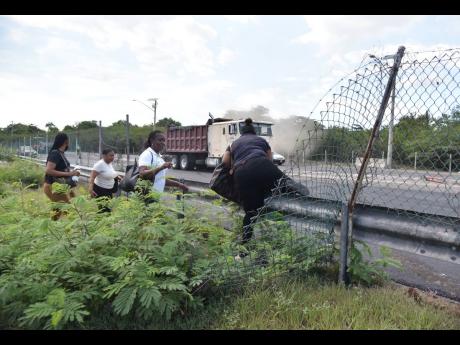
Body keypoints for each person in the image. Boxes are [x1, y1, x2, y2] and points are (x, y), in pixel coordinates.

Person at [222, 118, 284, 255]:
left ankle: (244, 250)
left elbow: (225, 162)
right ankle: (299, 194)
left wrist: (231, 171)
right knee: (284, 183)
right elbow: (269, 159)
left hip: (241, 172)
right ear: (254, 132)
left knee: (250, 213)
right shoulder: (261, 141)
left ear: (242, 133)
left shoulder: (234, 144)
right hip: (260, 163)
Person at [138, 130, 188, 202]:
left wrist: (179, 185)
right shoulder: (147, 154)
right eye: (160, 140)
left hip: (155, 197)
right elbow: (142, 174)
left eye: (164, 141)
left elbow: (160, 179)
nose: (163, 143)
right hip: (146, 197)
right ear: (152, 140)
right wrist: (162, 167)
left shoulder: (158, 156)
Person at [43, 132, 80, 219]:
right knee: (68, 209)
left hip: (59, 186)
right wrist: (69, 174)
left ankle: (52, 228)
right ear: (66, 141)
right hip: (53, 186)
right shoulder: (55, 153)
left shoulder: (60, 153)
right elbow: (48, 170)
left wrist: (73, 174)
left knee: (57, 211)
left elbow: (61, 170)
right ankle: (71, 228)